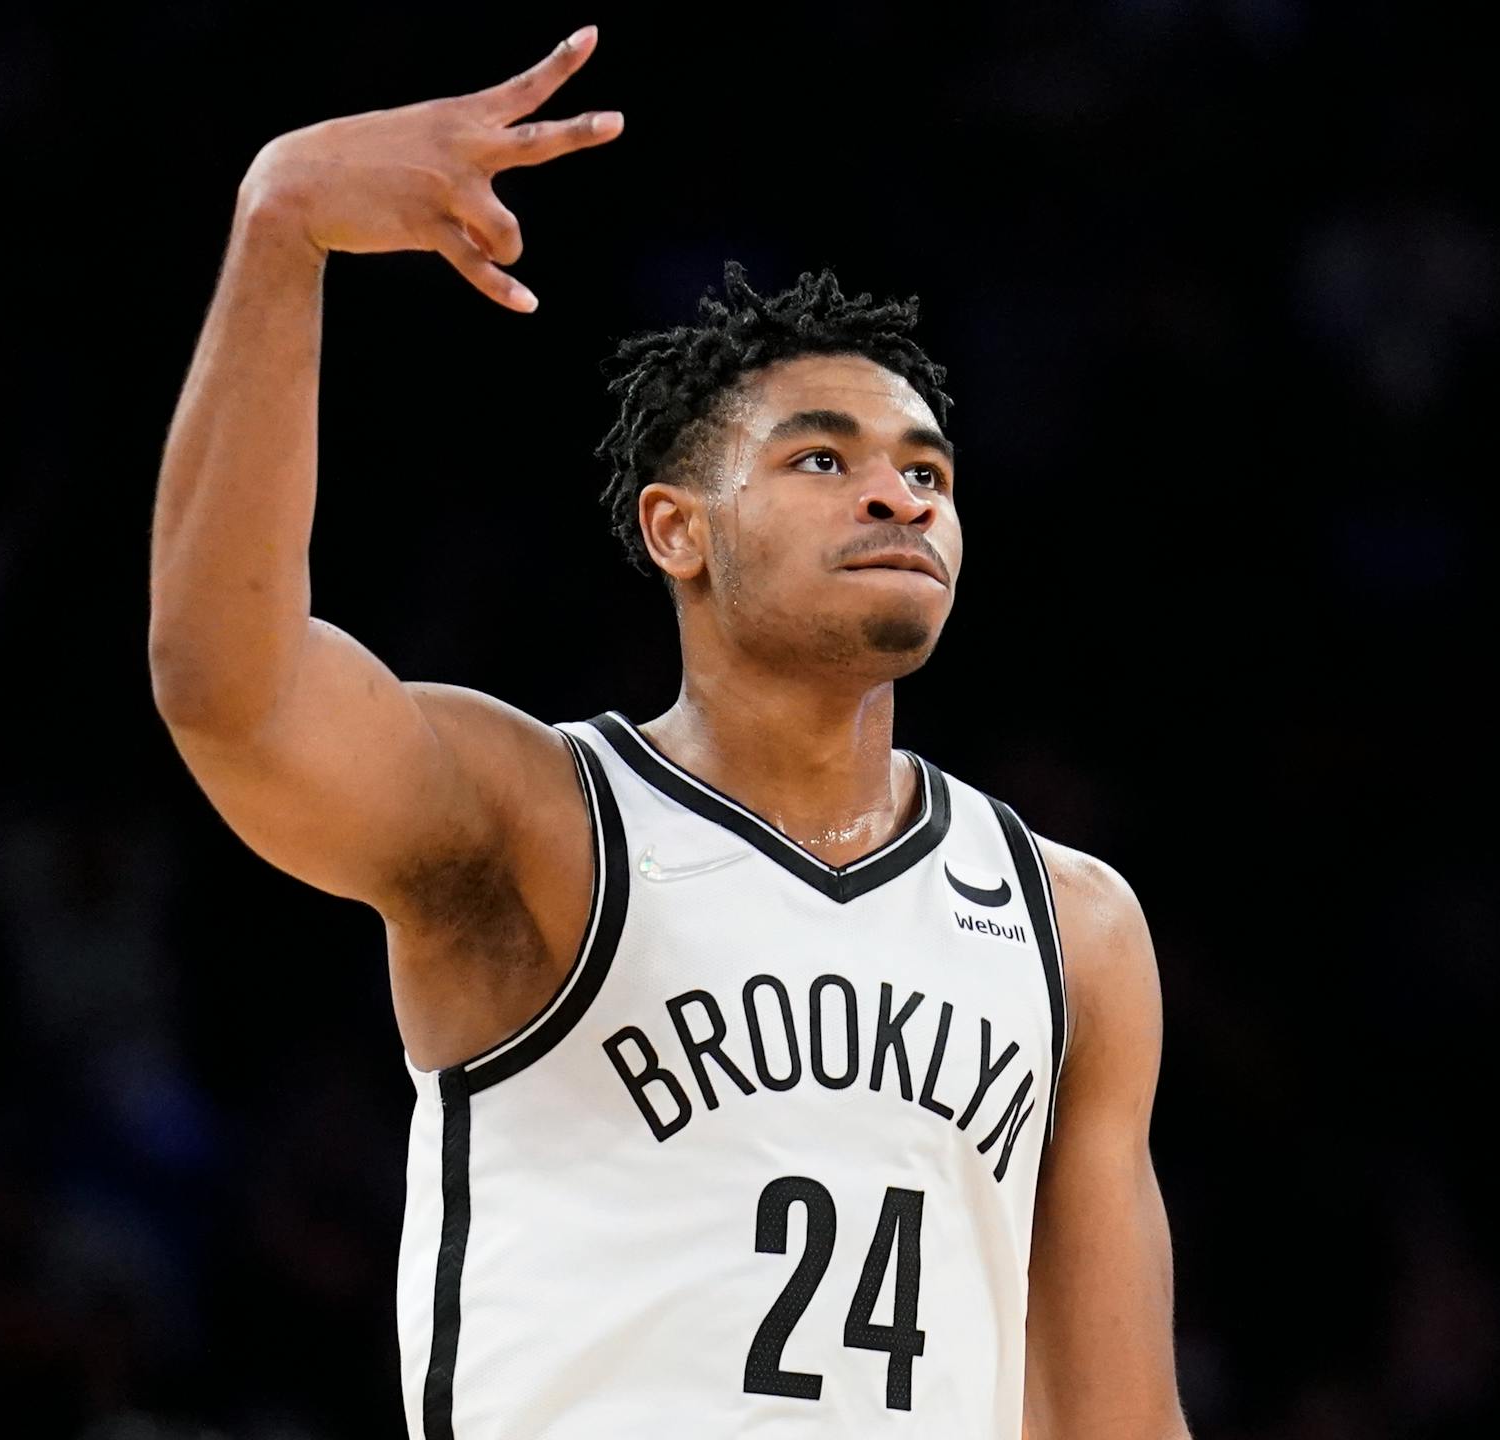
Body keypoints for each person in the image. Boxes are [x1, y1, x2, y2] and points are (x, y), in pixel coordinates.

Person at [147, 24, 1190, 1440]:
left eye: (927, 469)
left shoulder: (1075, 929)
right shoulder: (541, 824)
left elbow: (1119, 1422)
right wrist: (282, 230)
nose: (899, 497)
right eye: (823, 458)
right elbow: (229, 690)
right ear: (675, 529)